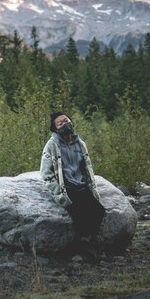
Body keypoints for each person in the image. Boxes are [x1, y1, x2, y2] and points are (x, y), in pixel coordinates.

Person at [40, 111, 105, 260]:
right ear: (55, 129)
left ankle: (87, 243)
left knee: (99, 211)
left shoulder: (80, 144)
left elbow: (87, 167)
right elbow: (45, 173)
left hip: (82, 186)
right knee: (79, 217)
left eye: (66, 120)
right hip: (67, 188)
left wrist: (92, 187)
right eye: (60, 123)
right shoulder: (52, 145)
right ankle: (85, 251)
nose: (65, 124)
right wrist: (57, 192)